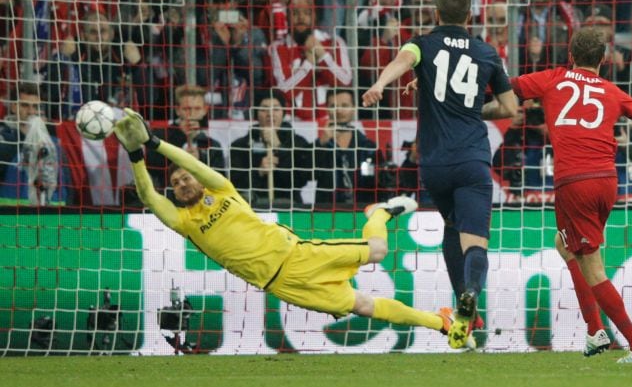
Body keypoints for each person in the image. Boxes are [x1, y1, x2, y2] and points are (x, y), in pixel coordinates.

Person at [111, 108, 456, 340]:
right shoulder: (184, 221)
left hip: (297, 256)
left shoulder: (221, 188)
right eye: (176, 184)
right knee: (362, 306)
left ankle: (380, 213)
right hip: (280, 285)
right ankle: (440, 322)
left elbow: (194, 165)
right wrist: (135, 155)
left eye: (186, 179)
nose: (183, 183)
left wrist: (155, 143)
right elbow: (149, 198)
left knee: (378, 250)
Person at [509, 26, 632, 363]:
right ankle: (594, 331)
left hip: (573, 183)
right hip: (607, 181)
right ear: (603, 60)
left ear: (571, 56)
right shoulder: (613, 91)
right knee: (565, 246)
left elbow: (506, 84)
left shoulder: (552, 78)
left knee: (594, 269)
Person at [362, 0, 519, 349]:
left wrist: (380, 84)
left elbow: (403, 60)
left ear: (436, 14)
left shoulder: (423, 43)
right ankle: (472, 296)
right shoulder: (487, 53)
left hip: (433, 164)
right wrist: (473, 110)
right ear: (470, 15)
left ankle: (467, 310)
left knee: (450, 226)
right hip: (471, 159)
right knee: (474, 240)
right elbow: (510, 108)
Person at [268, 0, 353, 121]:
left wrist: (323, 56)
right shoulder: (278, 48)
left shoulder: (334, 43)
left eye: (307, 13)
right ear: (287, 17)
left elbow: (345, 83)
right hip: (293, 123)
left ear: (315, 16)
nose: (301, 18)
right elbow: (284, 91)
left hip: (329, 122)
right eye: (295, 13)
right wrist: (309, 63)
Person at [229, 90, 312, 207]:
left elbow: (301, 180)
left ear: (283, 113)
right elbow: (235, 183)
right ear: (256, 113)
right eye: (264, 109)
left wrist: (279, 148)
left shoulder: (298, 143)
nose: (270, 114)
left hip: (290, 206)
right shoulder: (240, 145)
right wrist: (259, 172)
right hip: (252, 207)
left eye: (276, 109)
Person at [0, 83, 70, 205]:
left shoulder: (53, 143)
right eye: (25, 105)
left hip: (52, 217)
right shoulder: (3, 140)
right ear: (13, 107)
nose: (31, 111)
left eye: (36, 107)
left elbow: (66, 185)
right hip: (10, 217)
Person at [145, 85, 225, 190]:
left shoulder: (212, 145)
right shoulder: (159, 136)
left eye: (197, 108)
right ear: (178, 110)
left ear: (205, 110)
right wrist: (180, 139)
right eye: (187, 109)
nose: (191, 114)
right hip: (168, 197)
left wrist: (201, 158)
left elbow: (220, 182)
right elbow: (152, 170)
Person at [314, 88, 381, 208]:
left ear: (354, 108)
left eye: (344, 105)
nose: (339, 110)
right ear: (327, 109)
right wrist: (321, 143)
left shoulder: (368, 147)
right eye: (333, 106)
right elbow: (303, 176)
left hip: (362, 212)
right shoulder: (319, 146)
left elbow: (380, 184)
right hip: (326, 212)